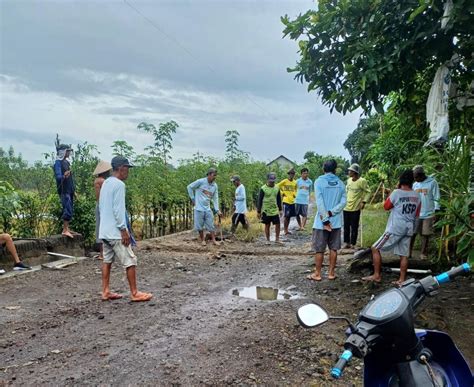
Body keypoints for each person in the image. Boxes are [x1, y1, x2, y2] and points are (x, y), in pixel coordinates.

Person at [99, 156, 152, 302]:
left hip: (105, 230)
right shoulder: (119, 185)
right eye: (127, 168)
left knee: (107, 260)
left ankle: (105, 291)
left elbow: (102, 206)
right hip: (115, 232)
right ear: (121, 168)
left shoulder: (106, 183)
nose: (128, 171)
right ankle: (134, 293)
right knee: (130, 260)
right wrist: (123, 230)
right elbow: (118, 209)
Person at [363, 170, 421, 286]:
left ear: (401, 180)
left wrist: (392, 193)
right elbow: (417, 214)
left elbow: (386, 206)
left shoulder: (396, 193)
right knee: (404, 255)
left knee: (375, 248)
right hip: (409, 227)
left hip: (395, 228)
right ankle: (402, 279)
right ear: (412, 181)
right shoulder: (417, 195)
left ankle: (377, 275)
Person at [308, 160, 346, 281]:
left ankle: (317, 274)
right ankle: (331, 273)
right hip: (335, 222)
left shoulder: (319, 182)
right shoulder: (341, 183)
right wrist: (332, 213)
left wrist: (325, 219)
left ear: (323, 169)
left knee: (319, 249)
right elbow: (343, 202)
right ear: (335, 169)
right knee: (333, 248)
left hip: (321, 223)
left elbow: (319, 201)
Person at [409, 165, 440, 259]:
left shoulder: (432, 183)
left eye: (415, 177)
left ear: (421, 175)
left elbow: (437, 197)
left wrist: (436, 211)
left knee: (425, 234)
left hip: (429, 213)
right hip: (416, 213)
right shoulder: (415, 185)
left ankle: (423, 253)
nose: (414, 179)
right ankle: (408, 252)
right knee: (412, 233)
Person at [187, 168, 221, 246]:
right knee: (200, 226)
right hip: (198, 208)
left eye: (215, 175)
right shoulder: (201, 182)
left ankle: (213, 240)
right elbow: (189, 187)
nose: (214, 177)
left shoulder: (214, 185)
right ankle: (203, 240)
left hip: (207, 208)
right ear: (208, 175)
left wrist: (217, 209)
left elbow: (215, 198)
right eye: (213, 175)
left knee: (211, 224)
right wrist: (192, 198)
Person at [343, 163, 371, 249]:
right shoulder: (348, 180)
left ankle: (353, 243)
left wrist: (364, 202)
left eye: (350, 171)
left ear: (355, 172)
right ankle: (346, 242)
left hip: (355, 207)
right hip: (346, 207)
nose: (348, 172)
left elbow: (368, 192)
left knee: (354, 226)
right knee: (346, 226)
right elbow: (346, 191)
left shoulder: (362, 181)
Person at [54, 144, 76, 238]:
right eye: (67, 151)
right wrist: (64, 175)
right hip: (63, 190)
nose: (68, 153)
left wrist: (73, 190)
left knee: (70, 208)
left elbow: (70, 178)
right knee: (67, 209)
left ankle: (67, 228)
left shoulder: (66, 162)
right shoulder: (57, 163)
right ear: (63, 152)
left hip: (69, 189)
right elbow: (58, 177)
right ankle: (65, 230)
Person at [93, 160, 112, 260]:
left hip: (101, 206)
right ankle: (102, 253)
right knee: (102, 228)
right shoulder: (102, 181)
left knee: (101, 228)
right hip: (103, 206)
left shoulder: (98, 181)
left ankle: (103, 252)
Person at [257, 173, 283, 244]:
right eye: (270, 181)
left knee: (278, 224)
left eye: (273, 181)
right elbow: (259, 200)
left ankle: (277, 239)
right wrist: (258, 211)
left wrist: (280, 209)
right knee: (267, 225)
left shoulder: (277, 188)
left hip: (274, 209)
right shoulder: (263, 189)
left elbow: (278, 199)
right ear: (267, 180)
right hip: (266, 210)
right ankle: (267, 240)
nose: (272, 182)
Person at [277, 168, 298, 235]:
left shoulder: (295, 182)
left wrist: (295, 194)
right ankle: (285, 230)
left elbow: (296, 190)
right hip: (286, 200)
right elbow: (277, 186)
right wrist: (282, 192)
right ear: (288, 174)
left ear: (294, 175)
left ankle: (287, 229)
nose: (291, 175)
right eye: (290, 174)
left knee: (289, 216)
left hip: (292, 201)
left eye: (293, 174)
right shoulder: (285, 181)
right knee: (286, 215)